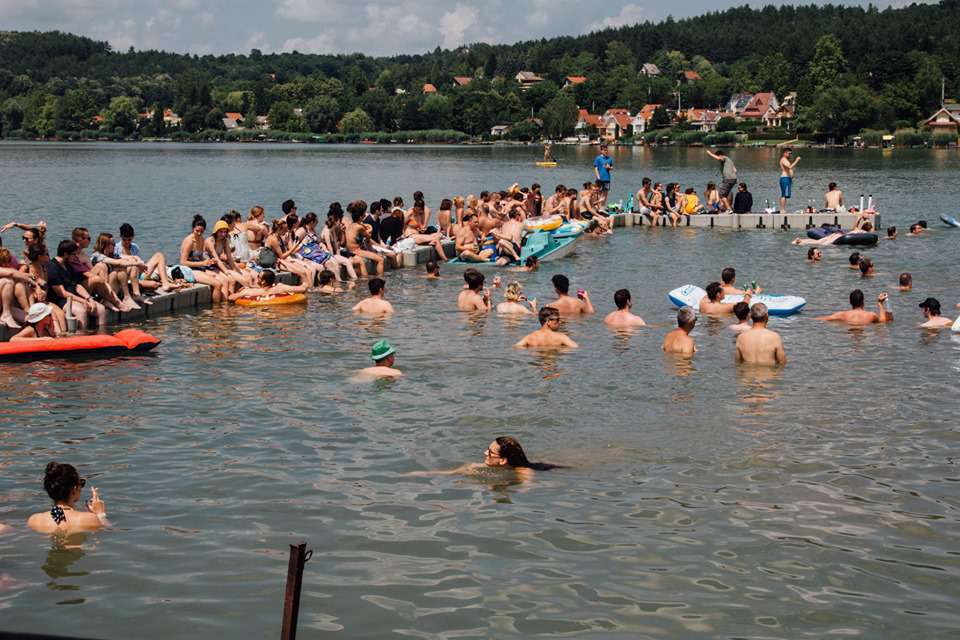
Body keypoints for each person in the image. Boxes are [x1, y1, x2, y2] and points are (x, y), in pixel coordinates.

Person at [27, 461, 107, 534]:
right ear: (74, 489)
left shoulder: (34, 520)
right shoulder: (88, 519)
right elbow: (109, 532)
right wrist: (100, 514)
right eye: (81, 483)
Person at [47, 239, 107, 330]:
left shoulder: (69, 265)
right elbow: (62, 293)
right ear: (65, 254)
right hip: (61, 300)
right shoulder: (52, 267)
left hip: (75, 297)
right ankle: (81, 337)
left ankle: (101, 335)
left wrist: (89, 299)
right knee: (81, 311)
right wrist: (83, 301)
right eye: (73, 254)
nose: (75, 257)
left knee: (101, 309)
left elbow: (77, 285)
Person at [817, 289, 893, 325]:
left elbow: (823, 319)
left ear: (850, 302)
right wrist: (880, 303)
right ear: (863, 301)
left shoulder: (842, 315)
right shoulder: (871, 315)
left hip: (849, 333)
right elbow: (883, 321)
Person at [228, 269, 308, 301]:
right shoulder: (280, 288)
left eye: (259, 277)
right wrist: (302, 276)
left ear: (263, 282)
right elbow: (303, 288)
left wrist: (232, 289)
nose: (256, 277)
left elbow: (230, 298)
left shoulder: (250, 292)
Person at [778, 148, 800, 213]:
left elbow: (789, 169)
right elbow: (789, 167)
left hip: (788, 178)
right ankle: (782, 209)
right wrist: (796, 160)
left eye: (790, 153)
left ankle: (783, 209)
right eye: (789, 153)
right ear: (784, 153)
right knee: (783, 194)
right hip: (785, 178)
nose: (790, 154)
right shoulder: (783, 160)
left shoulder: (786, 160)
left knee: (786, 195)